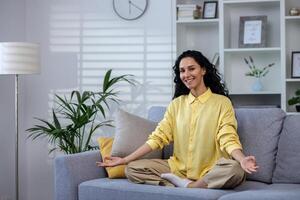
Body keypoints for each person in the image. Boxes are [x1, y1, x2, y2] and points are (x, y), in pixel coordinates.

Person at [97, 50, 258, 189]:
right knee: (132, 169)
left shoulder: (221, 103)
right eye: (182, 71)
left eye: (191, 69)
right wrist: (124, 160)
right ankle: (185, 183)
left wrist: (242, 160)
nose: (186, 75)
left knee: (235, 170)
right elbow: (158, 138)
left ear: (203, 70)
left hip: (211, 170)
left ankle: (190, 186)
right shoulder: (176, 105)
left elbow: (227, 137)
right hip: (177, 168)